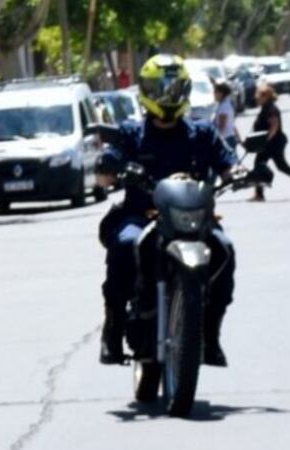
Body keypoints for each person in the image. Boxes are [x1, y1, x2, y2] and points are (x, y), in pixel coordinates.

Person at [96, 54, 237, 368]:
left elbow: (227, 164)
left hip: (192, 220)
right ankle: (114, 328)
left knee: (225, 251)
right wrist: (108, 167)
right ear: (146, 91)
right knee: (123, 246)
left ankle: (211, 336)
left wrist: (241, 174)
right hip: (142, 215)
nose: (167, 96)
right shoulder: (132, 133)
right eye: (160, 89)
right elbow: (105, 173)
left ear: (184, 90)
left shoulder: (202, 134)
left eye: (173, 89)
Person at [249, 84, 290, 201]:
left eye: (259, 96)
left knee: (279, 166)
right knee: (261, 164)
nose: (256, 98)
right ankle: (259, 193)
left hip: (274, 143)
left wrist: (266, 140)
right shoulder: (265, 107)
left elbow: (274, 126)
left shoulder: (271, 109)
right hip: (269, 143)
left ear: (265, 97)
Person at [213, 81, 240, 151]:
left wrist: (221, 141)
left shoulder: (223, 107)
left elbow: (223, 126)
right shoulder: (226, 104)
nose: (213, 94)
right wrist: (239, 138)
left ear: (221, 93)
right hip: (230, 137)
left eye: (215, 92)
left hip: (226, 139)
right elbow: (232, 124)